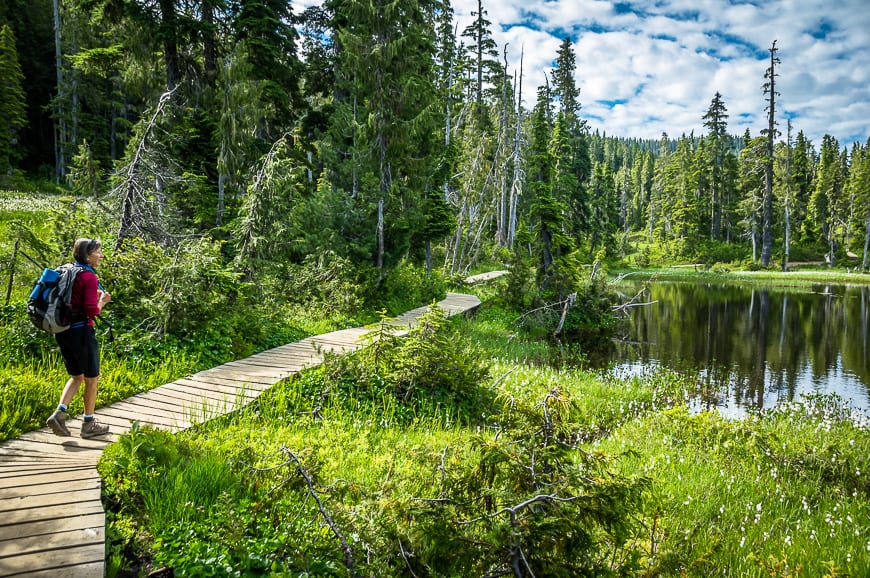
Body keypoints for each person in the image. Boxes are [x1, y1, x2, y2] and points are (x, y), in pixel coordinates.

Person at [45, 238, 112, 439]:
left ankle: (59, 413)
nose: (100, 255)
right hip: (82, 332)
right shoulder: (89, 277)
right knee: (92, 379)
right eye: (98, 252)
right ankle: (88, 424)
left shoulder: (67, 270)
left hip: (62, 330)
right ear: (86, 255)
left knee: (77, 376)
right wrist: (102, 302)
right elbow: (91, 311)